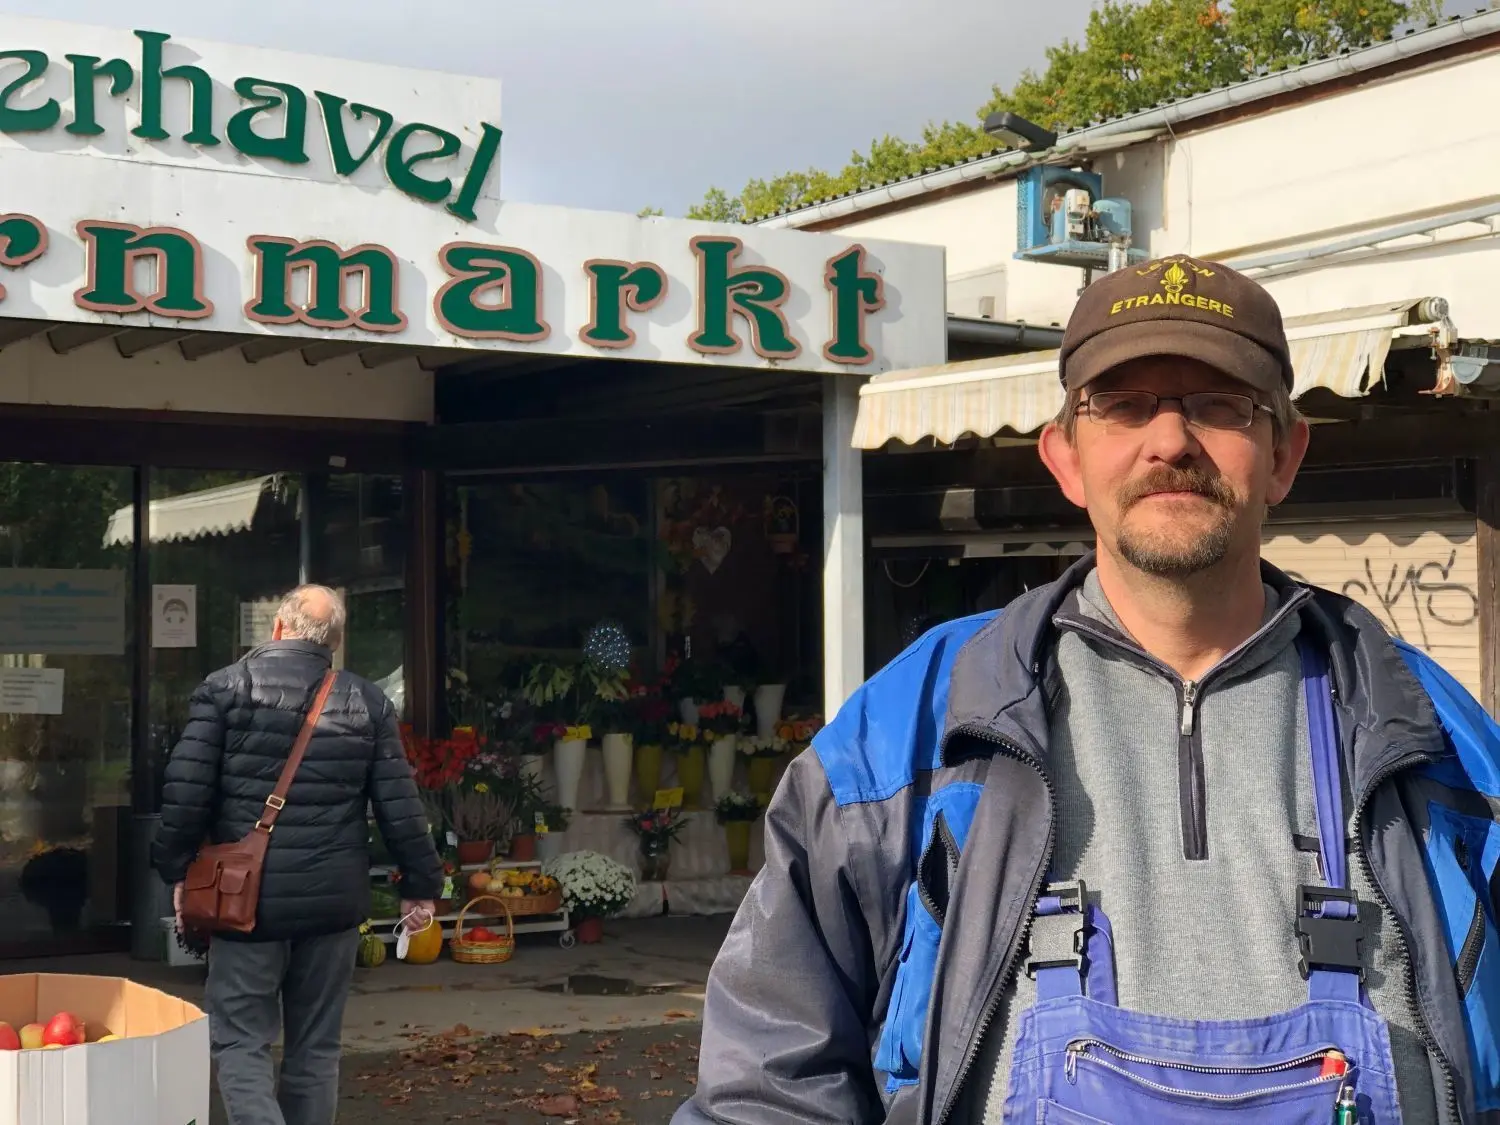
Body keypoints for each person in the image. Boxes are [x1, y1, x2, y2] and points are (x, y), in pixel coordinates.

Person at [676, 255, 1500, 1125]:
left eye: (1222, 405)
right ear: (1065, 459)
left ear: (1285, 454)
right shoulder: (918, 727)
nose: (1172, 440)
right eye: (1125, 404)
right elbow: (768, 1086)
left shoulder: (1433, 736)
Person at [153, 584, 443, 1125]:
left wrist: (175, 869)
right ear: (334, 642)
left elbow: (186, 791)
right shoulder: (367, 701)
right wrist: (421, 884)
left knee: (241, 1042)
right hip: (333, 905)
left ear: (278, 628)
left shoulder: (226, 689)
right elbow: (400, 804)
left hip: (246, 905)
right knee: (315, 1048)